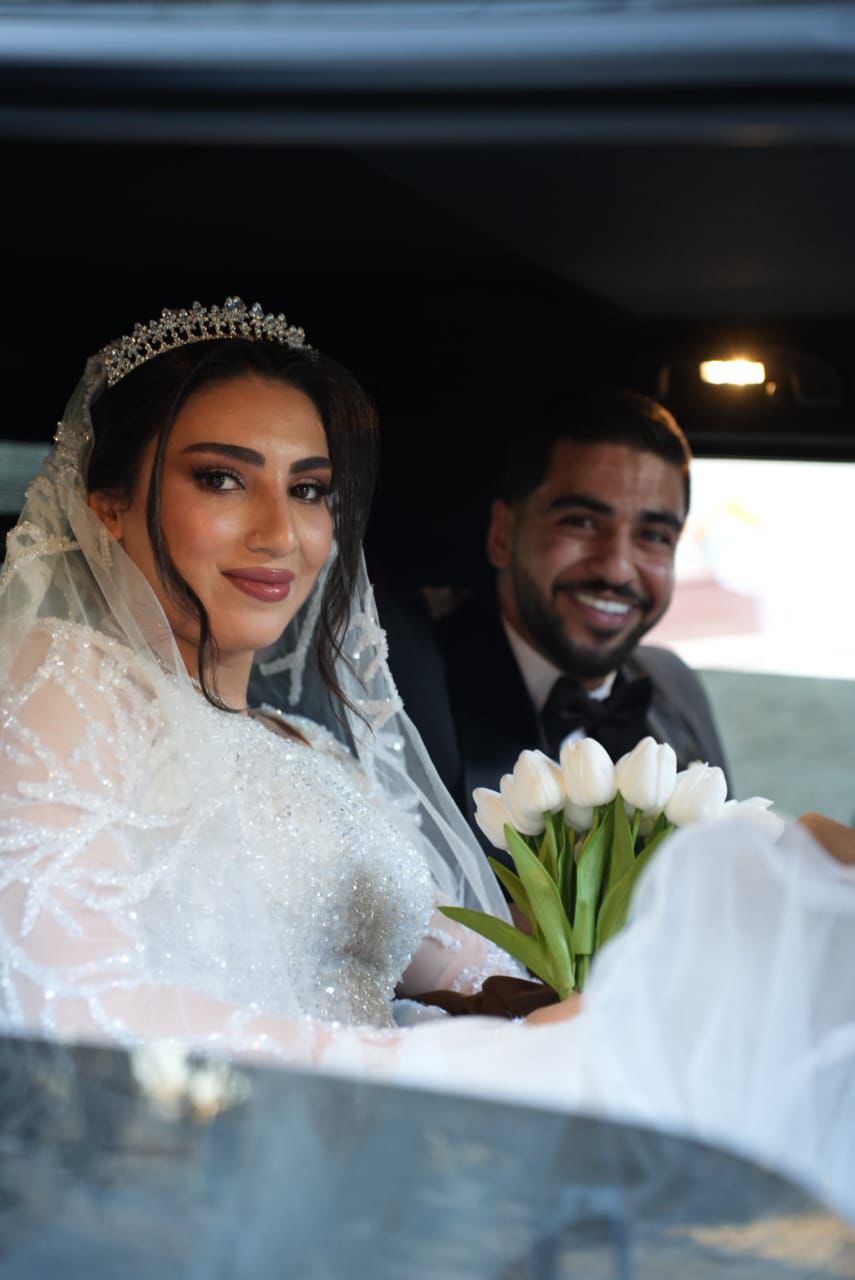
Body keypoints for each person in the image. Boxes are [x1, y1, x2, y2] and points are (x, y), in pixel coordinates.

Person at [1, 302, 854, 1225]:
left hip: (381, 1191)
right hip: (198, 1207)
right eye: (221, 479)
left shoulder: (320, 754)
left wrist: (702, 951)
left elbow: (479, 969)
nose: (280, 532)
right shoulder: (65, 679)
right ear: (108, 502)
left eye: (310, 490)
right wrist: (463, 1070)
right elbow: (72, 1016)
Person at [382, 389, 729, 852]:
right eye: (581, 522)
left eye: (653, 535)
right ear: (502, 535)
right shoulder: (398, 678)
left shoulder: (674, 684)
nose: (617, 570)